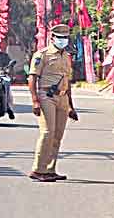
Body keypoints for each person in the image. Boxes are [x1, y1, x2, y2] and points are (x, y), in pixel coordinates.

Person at [28, 23, 78, 182]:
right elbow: (32, 78)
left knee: (57, 135)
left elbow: (67, 81)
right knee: (47, 132)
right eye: (60, 38)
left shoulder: (67, 56)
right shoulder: (42, 55)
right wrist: (35, 100)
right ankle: (38, 169)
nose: (63, 41)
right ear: (52, 38)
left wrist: (71, 106)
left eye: (65, 38)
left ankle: (50, 169)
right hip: (46, 95)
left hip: (62, 97)